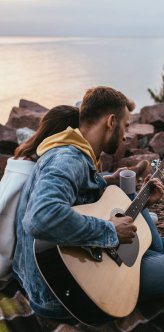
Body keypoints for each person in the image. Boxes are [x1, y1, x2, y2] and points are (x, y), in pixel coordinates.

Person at [12, 86, 164, 323]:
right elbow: (42, 217)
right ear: (111, 121)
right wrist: (110, 230)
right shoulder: (67, 159)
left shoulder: (76, 151)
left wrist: (112, 181)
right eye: (126, 126)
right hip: (60, 293)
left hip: (58, 274)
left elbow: (79, 191)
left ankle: (153, 259)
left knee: (126, 195)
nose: (126, 135)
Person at [0, 104, 148, 278]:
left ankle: (124, 189)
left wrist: (108, 180)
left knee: (106, 180)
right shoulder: (51, 166)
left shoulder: (26, 159)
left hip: (31, 247)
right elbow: (44, 220)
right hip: (20, 262)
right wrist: (110, 229)